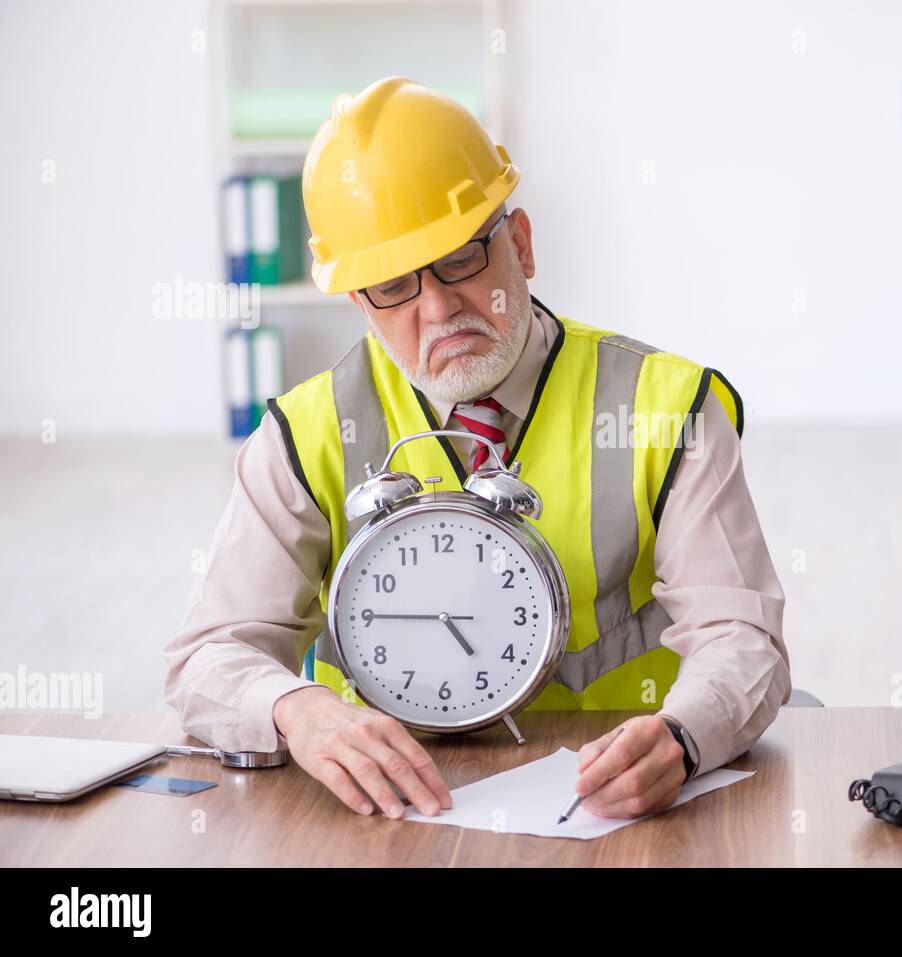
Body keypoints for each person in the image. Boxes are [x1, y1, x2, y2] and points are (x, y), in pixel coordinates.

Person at [164, 77, 790, 821]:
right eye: (392, 285)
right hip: (389, 811)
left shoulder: (667, 408)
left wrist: (683, 737)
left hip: (613, 803)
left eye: (460, 259)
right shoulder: (305, 435)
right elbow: (206, 657)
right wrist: (295, 709)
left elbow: (743, 637)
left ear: (520, 243)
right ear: (358, 302)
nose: (437, 307)